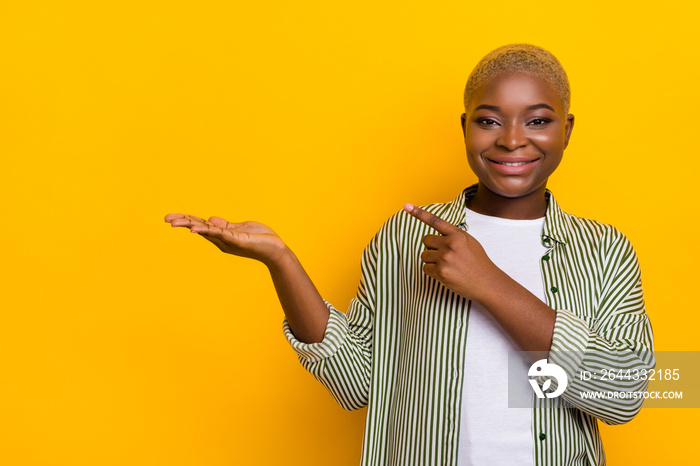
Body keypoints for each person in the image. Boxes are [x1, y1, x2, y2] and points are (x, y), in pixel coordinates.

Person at [165, 44, 654, 466]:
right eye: (488, 120)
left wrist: (488, 283)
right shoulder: (405, 235)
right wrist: (281, 260)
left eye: (538, 120)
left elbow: (624, 392)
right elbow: (356, 381)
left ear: (566, 129)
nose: (510, 139)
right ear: (465, 127)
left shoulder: (604, 250)